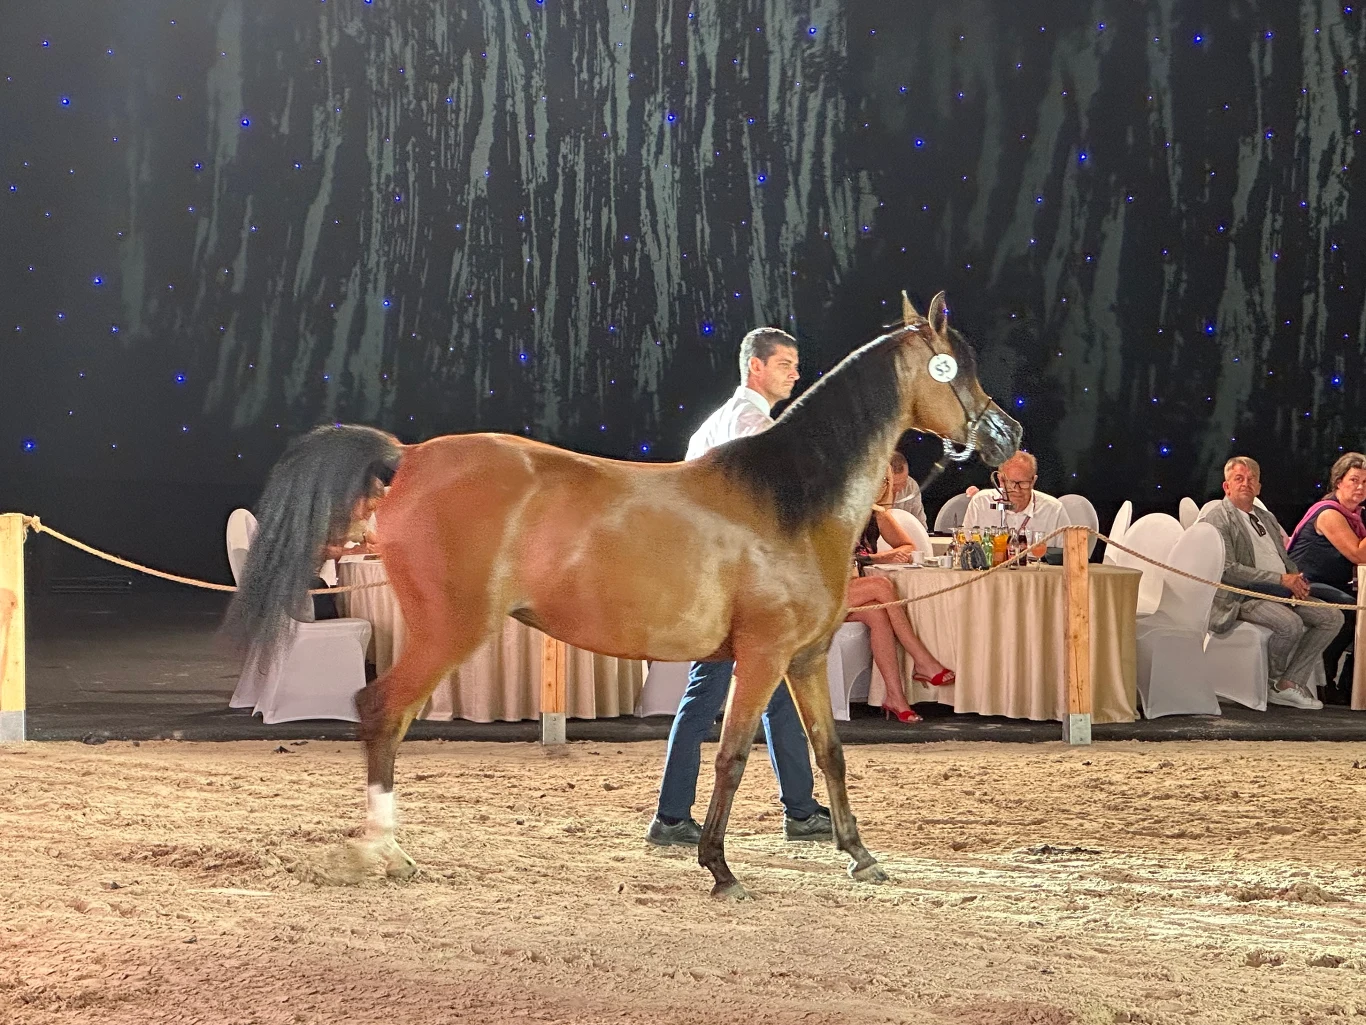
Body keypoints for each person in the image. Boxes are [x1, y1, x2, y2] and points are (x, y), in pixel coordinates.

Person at [649, 327, 832, 847]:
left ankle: (799, 808)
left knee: (771, 696)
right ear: (756, 367)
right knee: (706, 697)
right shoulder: (750, 424)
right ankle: (669, 815)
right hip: (731, 585)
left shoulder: (726, 421)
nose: (795, 373)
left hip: (721, 577)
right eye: (785, 363)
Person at [1200, 456, 1343, 709]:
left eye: (1252, 479)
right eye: (1239, 478)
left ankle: (1287, 683)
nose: (1246, 483)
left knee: (1332, 618)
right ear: (1227, 486)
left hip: (1280, 590)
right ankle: (1274, 680)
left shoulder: (1265, 517)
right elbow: (1228, 570)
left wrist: (1296, 579)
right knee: (1289, 623)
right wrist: (1280, 579)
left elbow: (1283, 557)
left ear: (1259, 487)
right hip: (1243, 595)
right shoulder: (1218, 519)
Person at [847, 472, 955, 723]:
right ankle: (922, 660)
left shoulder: (877, 514)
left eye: (884, 480)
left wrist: (889, 554)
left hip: (849, 591)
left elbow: (908, 546)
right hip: (816, 595)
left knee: (878, 613)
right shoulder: (832, 510)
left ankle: (895, 698)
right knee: (881, 586)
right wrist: (877, 559)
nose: (880, 485)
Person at [1287, 452, 1366, 705]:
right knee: (1353, 611)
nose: (1361, 487)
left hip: (1334, 585)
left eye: (1365, 482)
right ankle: (1327, 682)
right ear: (1339, 482)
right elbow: (1357, 554)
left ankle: (1352, 685)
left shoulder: (1355, 516)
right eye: (1354, 480)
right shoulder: (1329, 513)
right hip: (1306, 585)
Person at [960, 450, 1070, 538]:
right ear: (1001, 480)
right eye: (1011, 483)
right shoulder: (981, 503)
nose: (1017, 490)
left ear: (1033, 481)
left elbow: (1068, 555)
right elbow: (965, 547)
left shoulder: (1054, 510)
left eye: (1023, 483)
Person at [888, 452, 928, 529]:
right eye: (894, 485)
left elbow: (920, 525)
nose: (900, 488)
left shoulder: (911, 486)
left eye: (904, 482)